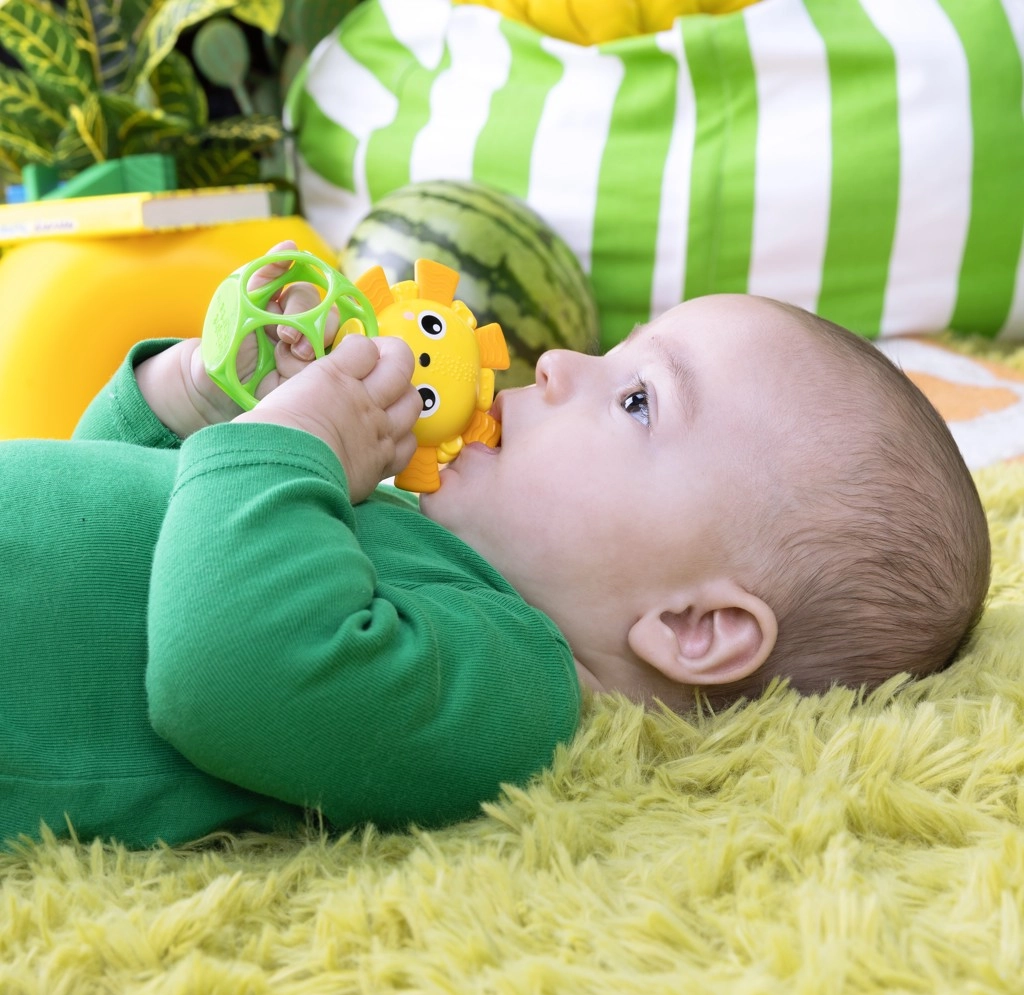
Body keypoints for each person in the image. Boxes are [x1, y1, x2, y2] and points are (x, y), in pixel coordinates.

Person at [0, 243, 989, 849]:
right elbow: (108, 513)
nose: (557, 362)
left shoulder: (509, 695)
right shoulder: (394, 527)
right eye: (614, 350)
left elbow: (223, 670)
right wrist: (194, 397)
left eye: (637, 400)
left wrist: (291, 446)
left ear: (694, 625)